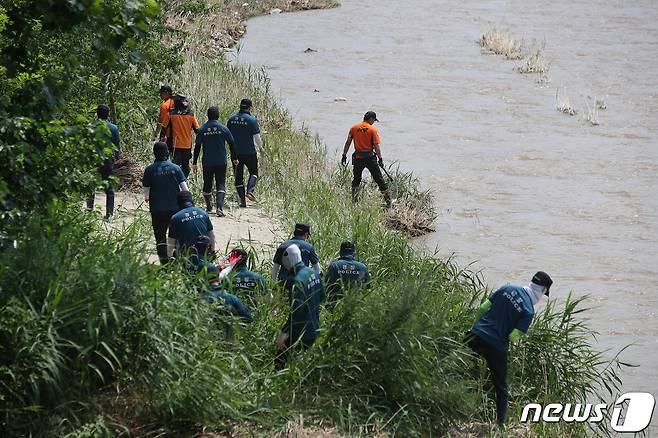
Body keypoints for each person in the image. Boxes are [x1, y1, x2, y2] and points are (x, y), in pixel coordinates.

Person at [467, 271, 553, 429]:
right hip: (497, 347)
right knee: (501, 389)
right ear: (542, 291)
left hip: (476, 335)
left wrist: (476, 325)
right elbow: (513, 337)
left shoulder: (508, 288)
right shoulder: (528, 310)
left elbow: (482, 307)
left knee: (459, 362)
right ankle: (500, 427)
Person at [275, 244, 325, 369]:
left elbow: (296, 312)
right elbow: (322, 297)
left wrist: (284, 332)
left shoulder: (297, 281)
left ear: (288, 259)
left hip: (300, 332)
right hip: (315, 329)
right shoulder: (313, 273)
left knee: (279, 360)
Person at [142, 142, 188, 264]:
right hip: (175, 209)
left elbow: (146, 192)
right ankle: (176, 260)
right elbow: (185, 189)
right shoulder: (176, 168)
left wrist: (147, 197)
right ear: (167, 152)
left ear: (154, 153)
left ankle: (164, 264)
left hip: (157, 209)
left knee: (160, 238)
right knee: (177, 237)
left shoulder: (149, 170)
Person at [193, 106, 238, 217]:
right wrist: (235, 158)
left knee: (207, 185)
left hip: (207, 162)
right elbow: (232, 144)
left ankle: (209, 207)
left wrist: (194, 162)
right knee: (221, 184)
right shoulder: (223, 128)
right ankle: (219, 207)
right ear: (218, 115)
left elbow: (197, 147)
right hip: (221, 161)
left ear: (207, 115)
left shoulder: (202, 129)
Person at [341, 111, 391, 207]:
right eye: (374, 120)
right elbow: (376, 146)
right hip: (370, 159)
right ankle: (388, 202)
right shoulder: (372, 130)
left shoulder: (354, 128)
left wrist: (344, 155)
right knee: (380, 180)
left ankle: (354, 201)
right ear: (371, 119)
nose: (373, 122)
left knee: (356, 180)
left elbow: (348, 142)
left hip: (358, 158)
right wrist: (380, 158)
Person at [87, 104, 120, 219]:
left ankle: (89, 210)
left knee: (91, 186)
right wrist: (116, 158)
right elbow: (117, 146)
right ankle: (109, 214)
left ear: (97, 113)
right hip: (107, 160)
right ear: (108, 114)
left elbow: (87, 143)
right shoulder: (113, 128)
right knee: (109, 188)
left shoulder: (91, 126)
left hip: (93, 159)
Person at [227, 98, 262, 207]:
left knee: (238, 177)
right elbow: (257, 138)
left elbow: (228, 136)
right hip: (249, 152)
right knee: (254, 172)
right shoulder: (252, 120)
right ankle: (250, 190)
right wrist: (261, 148)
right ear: (250, 107)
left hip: (235, 153)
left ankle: (242, 202)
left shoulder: (231, 119)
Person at [167, 190, 215, 259]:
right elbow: (212, 236)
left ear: (178, 202)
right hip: (204, 253)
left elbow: (171, 242)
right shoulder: (203, 213)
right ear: (191, 200)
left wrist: (169, 257)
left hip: (187, 256)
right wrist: (212, 252)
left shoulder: (175, 218)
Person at [162, 94, 199, 177]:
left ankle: (177, 184)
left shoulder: (170, 114)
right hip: (187, 145)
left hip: (175, 145)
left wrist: (161, 140)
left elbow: (163, 128)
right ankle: (184, 183)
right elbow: (197, 130)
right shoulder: (191, 114)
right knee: (185, 166)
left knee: (175, 166)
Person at [325, 241, 371, 305]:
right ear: (354, 253)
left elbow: (327, 287)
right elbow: (368, 288)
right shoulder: (362, 267)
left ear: (340, 252)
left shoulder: (334, 266)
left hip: (336, 307)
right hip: (356, 307)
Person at [152, 84, 174, 153]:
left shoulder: (164, 106)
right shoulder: (175, 103)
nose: (160, 94)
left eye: (162, 92)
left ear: (167, 93)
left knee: (164, 154)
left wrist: (155, 135)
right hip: (177, 134)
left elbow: (160, 122)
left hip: (167, 134)